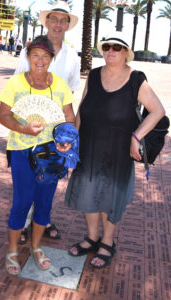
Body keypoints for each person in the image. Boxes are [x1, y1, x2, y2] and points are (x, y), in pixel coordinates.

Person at [65, 31, 165, 269]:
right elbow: (82, 107)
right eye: (107, 47)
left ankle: (107, 242)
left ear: (126, 53)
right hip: (88, 145)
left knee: (111, 198)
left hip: (118, 151)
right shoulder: (94, 74)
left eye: (117, 48)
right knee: (87, 193)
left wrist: (136, 136)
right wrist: (73, 138)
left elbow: (158, 111)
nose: (110, 51)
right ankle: (92, 238)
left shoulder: (136, 80)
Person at [0, 35, 75, 275]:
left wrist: (66, 141)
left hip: (52, 154)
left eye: (45, 56)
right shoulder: (15, 83)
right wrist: (23, 128)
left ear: (52, 59)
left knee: (44, 202)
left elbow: (70, 119)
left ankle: (36, 246)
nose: (40, 60)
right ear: (28, 57)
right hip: (22, 150)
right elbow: (4, 116)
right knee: (22, 201)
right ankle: (12, 249)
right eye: (35, 55)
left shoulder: (60, 85)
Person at [14, 0, 80, 243]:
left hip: (55, 132)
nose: (58, 24)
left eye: (63, 20)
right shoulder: (29, 51)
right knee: (26, 181)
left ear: (67, 25)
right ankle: (21, 223)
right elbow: (17, 86)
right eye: (54, 19)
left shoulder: (72, 56)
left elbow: (71, 94)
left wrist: (70, 133)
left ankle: (43, 219)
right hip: (29, 129)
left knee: (49, 178)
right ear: (47, 21)